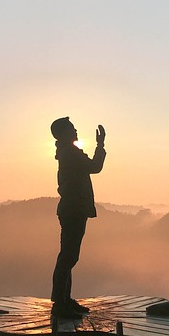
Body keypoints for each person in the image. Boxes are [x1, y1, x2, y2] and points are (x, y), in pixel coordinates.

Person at [50, 117, 106, 318]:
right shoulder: (71, 153)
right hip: (73, 209)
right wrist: (100, 145)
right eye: (72, 129)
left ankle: (65, 300)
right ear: (63, 133)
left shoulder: (67, 152)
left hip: (72, 209)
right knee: (68, 256)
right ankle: (60, 303)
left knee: (69, 255)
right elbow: (95, 167)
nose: (76, 131)